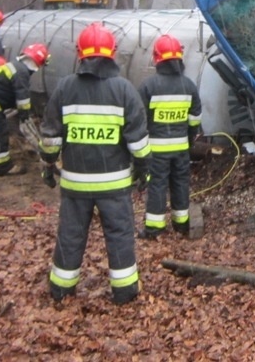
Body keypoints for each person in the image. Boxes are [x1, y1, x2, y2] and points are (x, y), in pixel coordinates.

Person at [39, 22, 151, 305]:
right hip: (114, 185)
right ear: (113, 53)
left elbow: (50, 136)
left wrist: (49, 165)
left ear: (80, 53)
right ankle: (125, 291)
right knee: (120, 235)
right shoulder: (125, 91)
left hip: (75, 183)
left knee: (71, 234)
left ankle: (61, 289)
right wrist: (143, 170)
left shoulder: (65, 88)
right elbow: (138, 143)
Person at [137, 34, 202, 240]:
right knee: (181, 183)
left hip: (155, 150)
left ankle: (154, 228)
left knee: (157, 185)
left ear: (157, 58)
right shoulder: (189, 86)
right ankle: (181, 224)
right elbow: (195, 119)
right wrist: (190, 140)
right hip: (181, 148)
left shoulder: (148, 86)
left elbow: (140, 120)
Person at [0, 43, 50, 176]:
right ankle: (3, 166)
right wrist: (25, 114)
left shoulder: (15, 66)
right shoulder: (21, 72)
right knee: (0, 131)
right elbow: (23, 98)